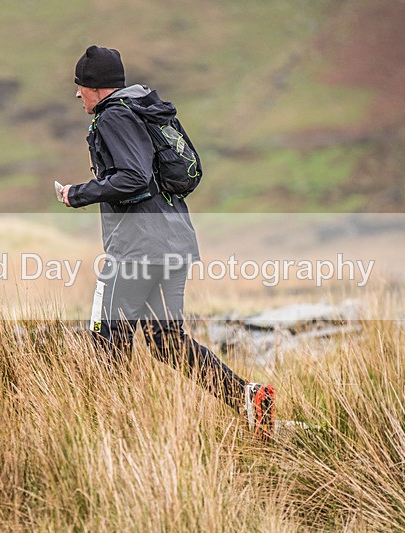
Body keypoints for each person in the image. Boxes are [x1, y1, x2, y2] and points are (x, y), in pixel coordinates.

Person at [60, 45, 276, 439]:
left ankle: (115, 435)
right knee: (165, 341)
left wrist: (78, 193)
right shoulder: (142, 110)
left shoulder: (113, 117)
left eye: (80, 86)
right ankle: (248, 397)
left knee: (108, 337)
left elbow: (134, 177)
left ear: (96, 87)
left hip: (138, 248)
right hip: (174, 243)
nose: (77, 94)